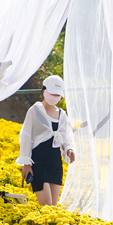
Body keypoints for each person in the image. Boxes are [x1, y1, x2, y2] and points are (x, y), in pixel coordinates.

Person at [16, 75, 76, 206]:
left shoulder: (62, 114)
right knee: (46, 206)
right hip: (38, 163)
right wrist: (26, 163)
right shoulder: (35, 110)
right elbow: (26, 136)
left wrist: (69, 149)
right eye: (52, 93)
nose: (54, 96)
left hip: (55, 164)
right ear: (44, 91)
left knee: (52, 208)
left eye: (57, 94)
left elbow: (66, 137)